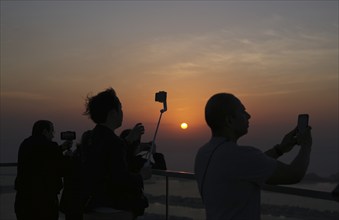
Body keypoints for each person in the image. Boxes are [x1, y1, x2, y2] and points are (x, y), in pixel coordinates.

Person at [194, 93, 312, 220]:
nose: (248, 116)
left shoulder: (203, 153)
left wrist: (280, 149)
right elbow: (294, 174)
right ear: (229, 120)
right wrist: (307, 145)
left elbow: (249, 165)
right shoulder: (240, 156)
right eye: (243, 112)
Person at [82, 88, 151, 220]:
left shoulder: (89, 138)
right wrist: (141, 176)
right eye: (121, 109)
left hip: (91, 206)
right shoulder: (114, 142)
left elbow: (105, 158)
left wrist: (128, 141)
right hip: (112, 211)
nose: (122, 113)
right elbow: (119, 178)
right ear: (113, 113)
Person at [14, 120, 72, 220]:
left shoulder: (25, 144)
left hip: (23, 199)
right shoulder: (50, 146)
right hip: (45, 201)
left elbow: (41, 155)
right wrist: (67, 158)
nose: (53, 136)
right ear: (45, 131)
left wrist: (61, 148)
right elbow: (62, 169)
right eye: (52, 132)